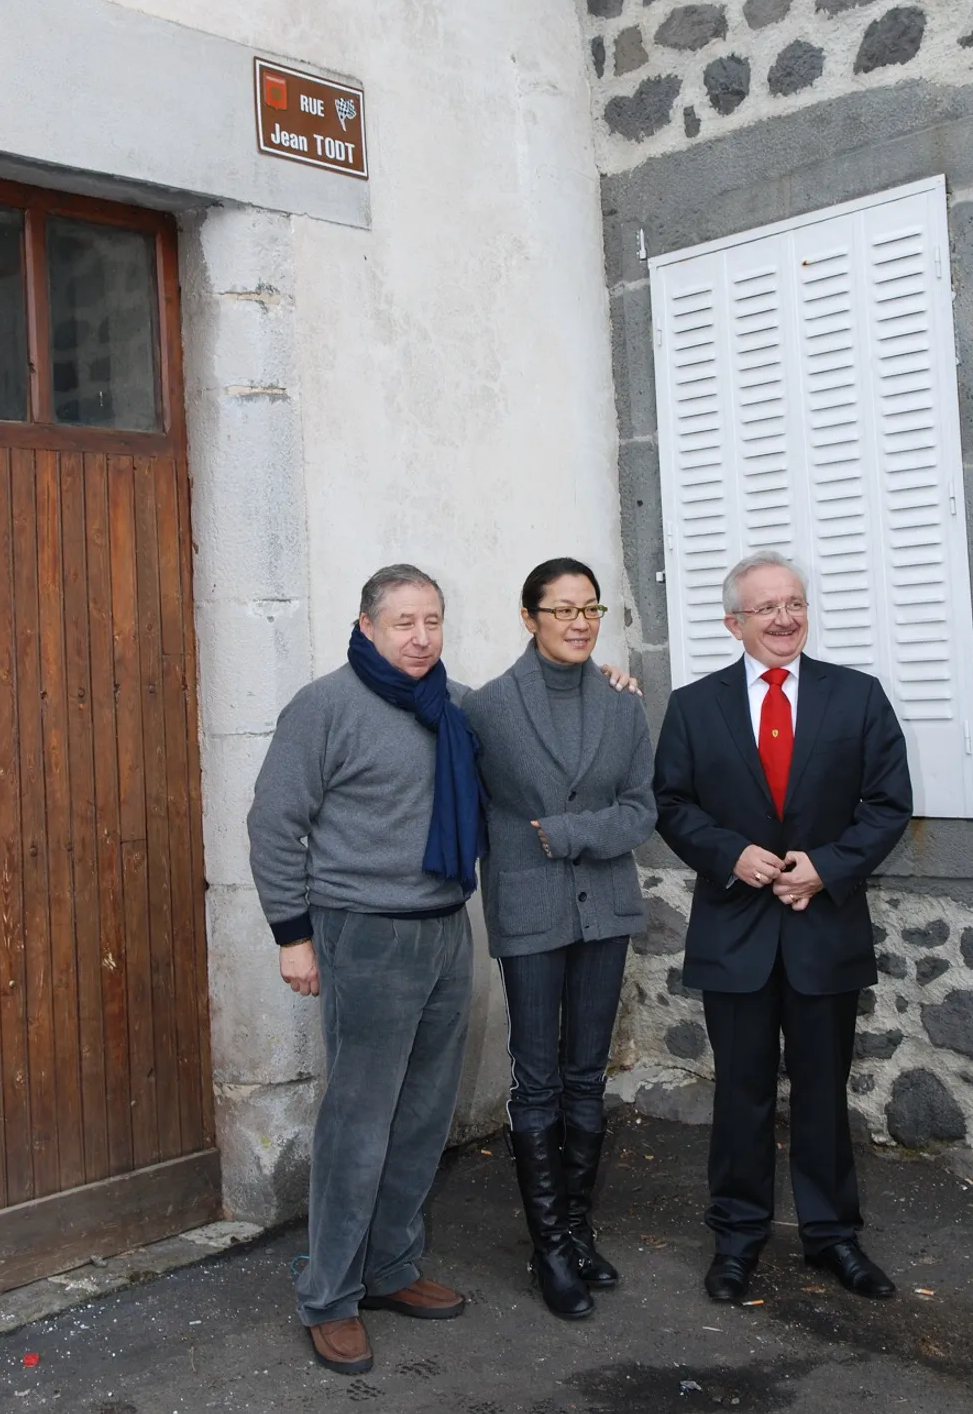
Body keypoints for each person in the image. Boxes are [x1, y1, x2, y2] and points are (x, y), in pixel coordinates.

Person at [653, 552, 912, 1304]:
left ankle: (834, 1237)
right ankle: (736, 1238)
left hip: (822, 927)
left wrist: (825, 866)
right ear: (734, 621)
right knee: (741, 1094)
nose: (784, 618)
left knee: (825, 1092)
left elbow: (887, 803)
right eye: (766, 607)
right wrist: (730, 852)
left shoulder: (856, 697)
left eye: (793, 602)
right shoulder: (695, 706)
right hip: (734, 933)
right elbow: (671, 804)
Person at [247, 564, 482, 1375]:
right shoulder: (325, 706)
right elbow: (274, 821)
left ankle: (388, 1269)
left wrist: (604, 676)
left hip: (447, 926)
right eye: (404, 622)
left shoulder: (450, 705)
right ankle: (330, 1294)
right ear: (367, 625)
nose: (420, 636)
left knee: (422, 1116)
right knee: (358, 1122)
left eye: (433, 620)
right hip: (365, 934)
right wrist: (293, 933)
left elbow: (531, 715)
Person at [462, 558, 656, 1320]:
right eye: (562, 609)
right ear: (529, 615)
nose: (580, 622)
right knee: (536, 1075)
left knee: (585, 1073)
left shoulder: (622, 702)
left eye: (590, 608)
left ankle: (577, 1228)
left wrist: (574, 831)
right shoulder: (487, 707)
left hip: (605, 905)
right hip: (530, 910)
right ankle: (548, 1248)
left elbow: (642, 808)